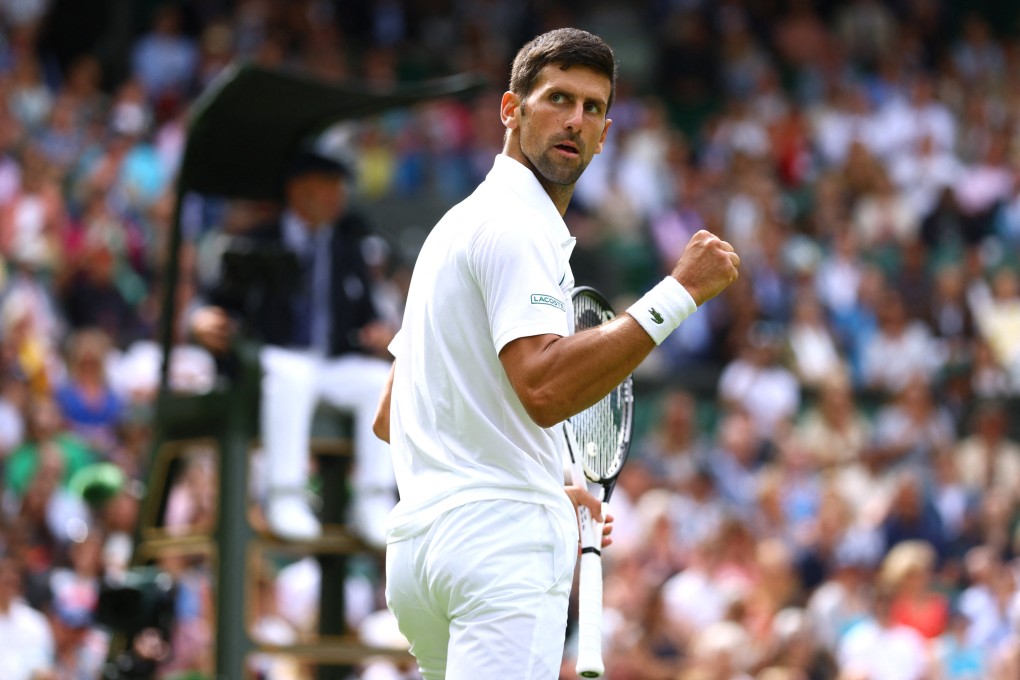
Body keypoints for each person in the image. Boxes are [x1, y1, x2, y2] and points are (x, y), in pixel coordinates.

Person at [372, 28, 740, 679]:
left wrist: (549, 485)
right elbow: (542, 389)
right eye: (558, 99)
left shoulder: (453, 227)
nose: (575, 120)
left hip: (419, 557)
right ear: (511, 110)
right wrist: (678, 295)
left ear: (604, 135)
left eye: (593, 108)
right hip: (499, 548)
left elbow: (388, 416)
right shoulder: (518, 228)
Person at [189, 145, 396, 544]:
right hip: (271, 360)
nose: (338, 195)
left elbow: (367, 315)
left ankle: (373, 498)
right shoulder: (257, 240)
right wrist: (199, 320)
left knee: (378, 380)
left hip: (332, 361)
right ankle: (284, 495)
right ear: (299, 190)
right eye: (328, 185)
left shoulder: (346, 245)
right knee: (292, 371)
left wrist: (376, 333)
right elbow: (211, 302)